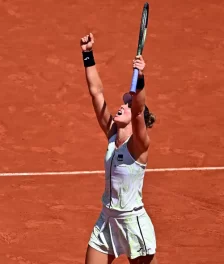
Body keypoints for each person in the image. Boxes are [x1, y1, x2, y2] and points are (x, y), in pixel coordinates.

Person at [80, 32, 158, 264]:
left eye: (127, 103)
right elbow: (96, 92)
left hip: (133, 224)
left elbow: (137, 110)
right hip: (108, 220)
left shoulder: (139, 145)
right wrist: (87, 55)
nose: (122, 105)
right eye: (123, 102)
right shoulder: (113, 135)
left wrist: (141, 77)